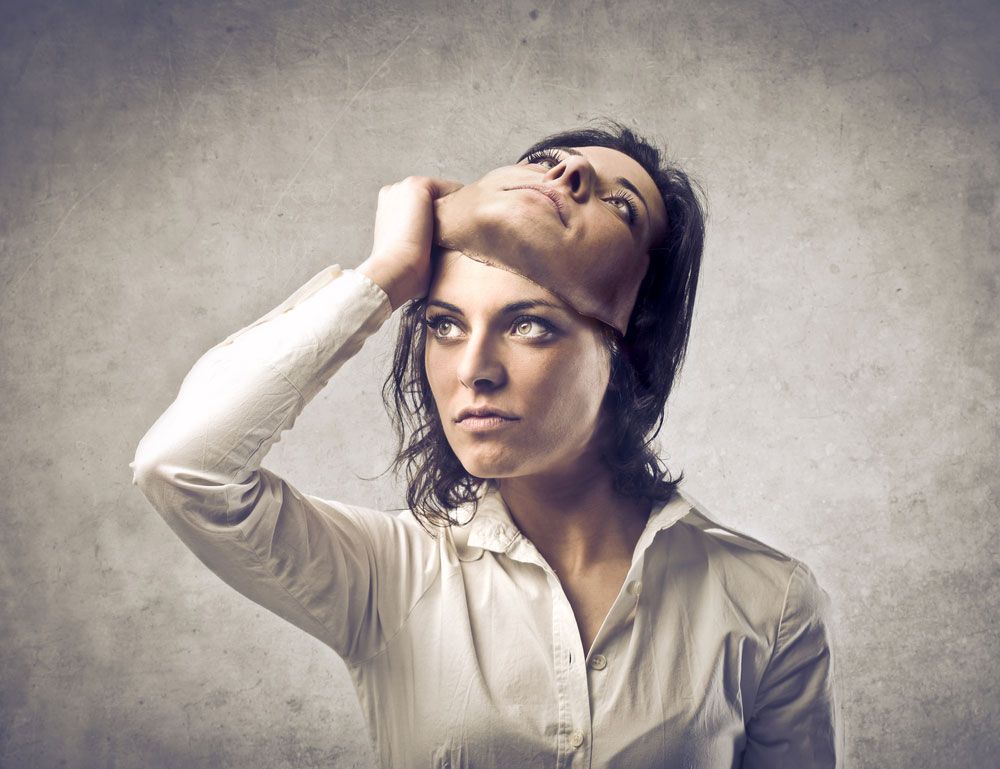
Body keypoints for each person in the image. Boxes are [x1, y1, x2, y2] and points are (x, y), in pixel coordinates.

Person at [131, 123, 841, 768]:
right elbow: (182, 466)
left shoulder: (767, 601)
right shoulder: (389, 575)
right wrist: (385, 275)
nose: (473, 369)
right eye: (443, 324)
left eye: (531, 325)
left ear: (633, 349)